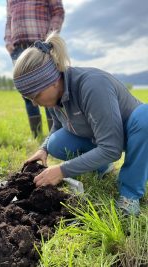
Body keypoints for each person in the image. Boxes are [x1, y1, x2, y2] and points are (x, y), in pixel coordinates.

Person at [13, 31, 148, 216]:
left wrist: (62, 170)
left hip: (130, 133)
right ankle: (102, 167)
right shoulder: (56, 95)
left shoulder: (92, 86)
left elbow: (111, 148)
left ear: (51, 81)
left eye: (35, 96)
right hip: (99, 134)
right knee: (56, 143)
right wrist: (43, 148)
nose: (35, 103)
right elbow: (58, 125)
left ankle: (129, 195)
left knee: (145, 118)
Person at [4, 0, 65, 138]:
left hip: (41, 46)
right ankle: (36, 135)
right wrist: (8, 41)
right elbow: (8, 19)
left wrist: (49, 36)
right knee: (28, 94)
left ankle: (54, 135)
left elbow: (58, 11)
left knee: (47, 89)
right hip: (18, 47)